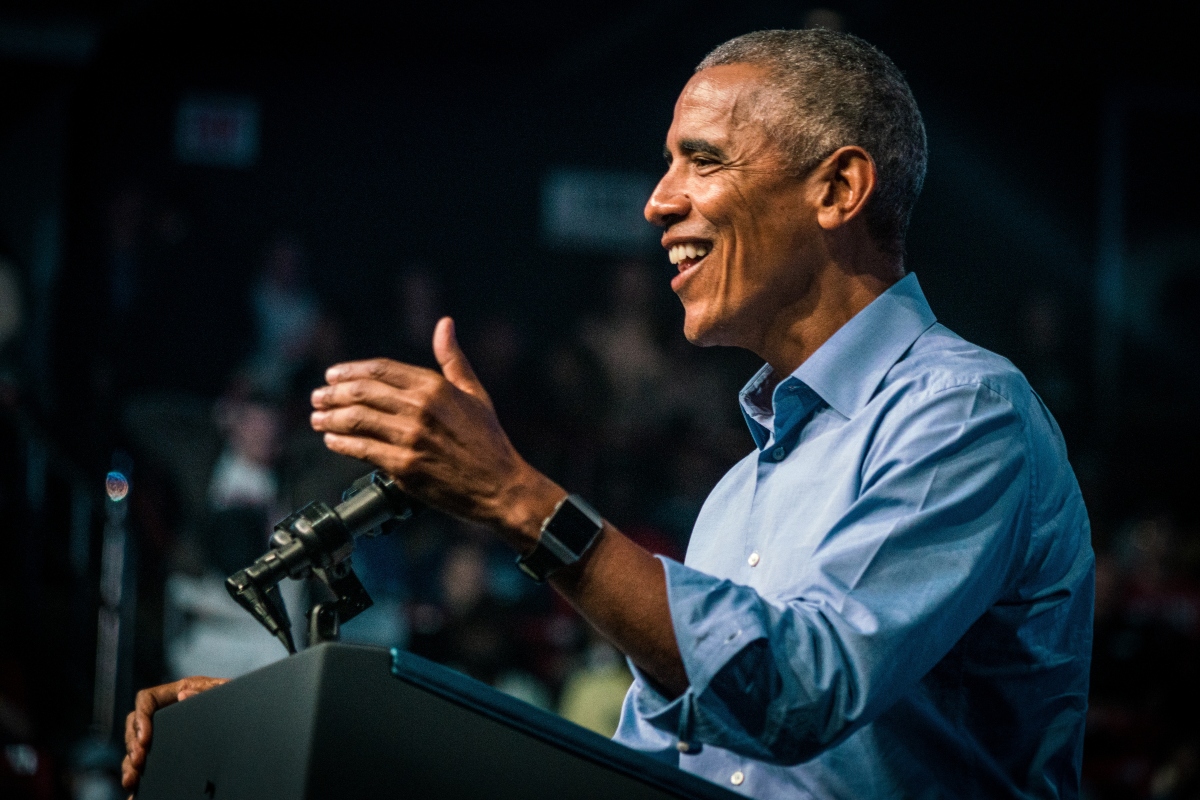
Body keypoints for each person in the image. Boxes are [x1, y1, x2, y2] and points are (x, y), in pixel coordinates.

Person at [123, 29, 1093, 798]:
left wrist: (519, 499)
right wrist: (307, 726)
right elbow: (635, 776)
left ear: (837, 188)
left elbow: (799, 690)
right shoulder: (740, 496)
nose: (657, 202)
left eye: (700, 161)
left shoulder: (964, 414)